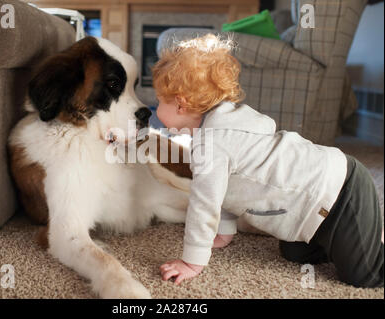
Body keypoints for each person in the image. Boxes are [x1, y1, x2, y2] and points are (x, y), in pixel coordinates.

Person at [153, 34, 384, 288]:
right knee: (295, 252)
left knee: (366, 275)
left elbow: (204, 202)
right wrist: (225, 231)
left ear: (180, 104)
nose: (156, 107)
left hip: (341, 193)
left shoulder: (213, 144)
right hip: (314, 205)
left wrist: (193, 261)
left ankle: (370, 238)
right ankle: (352, 239)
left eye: (159, 101)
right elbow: (226, 188)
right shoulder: (222, 127)